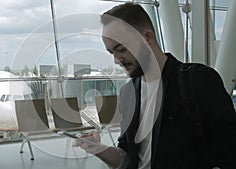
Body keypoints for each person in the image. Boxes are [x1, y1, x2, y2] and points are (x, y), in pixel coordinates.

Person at [73, 2, 236, 169]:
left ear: (148, 37)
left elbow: (230, 153)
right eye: (112, 52)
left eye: (121, 49)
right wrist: (98, 149)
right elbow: (127, 157)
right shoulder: (128, 93)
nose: (116, 60)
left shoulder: (197, 81)